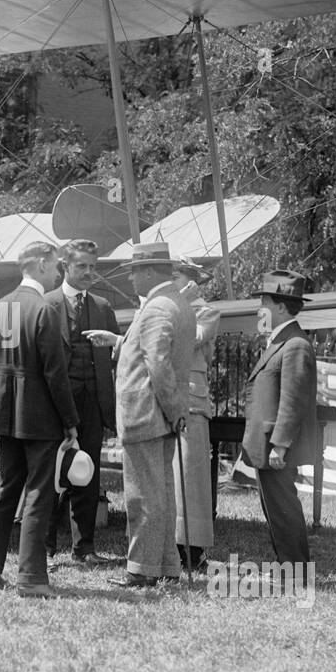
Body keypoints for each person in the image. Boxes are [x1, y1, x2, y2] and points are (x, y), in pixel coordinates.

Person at [0, 241, 79, 599]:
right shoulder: (44, 309)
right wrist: (70, 421)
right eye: (54, 267)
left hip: (4, 410)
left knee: (5, 488)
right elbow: (55, 373)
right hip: (38, 415)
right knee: (38, 493)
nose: (58, 273)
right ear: (38, 265)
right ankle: (32, 578)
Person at [105, 242, 195, 588]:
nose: (129, 278)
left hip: (146, 413)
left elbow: (158, 366)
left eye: (132, 271)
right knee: (163, 494)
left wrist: (174, 410)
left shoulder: (157, 307)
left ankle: (142, 568)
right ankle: (167, 565)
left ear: (147, 272)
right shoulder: (177, 302)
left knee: (143, 496)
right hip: (161, 415)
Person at [44, 239, 119, 566]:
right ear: (65, 267)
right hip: (54, 406)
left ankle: (84, 548)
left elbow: (116, 358)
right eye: (82, 267)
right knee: (49, 475)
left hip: (92, 404)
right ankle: (42, 547)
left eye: (93, 266)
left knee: (87, 474)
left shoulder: (103, 307)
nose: (89, 272)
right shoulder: (46, 305)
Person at [241, 270, 318, 566]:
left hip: (276, 447)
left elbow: (292, 401)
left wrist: (281, 445)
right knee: (276, 509)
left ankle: (294, 571)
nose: (259, 308)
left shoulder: (295, 344)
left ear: (281, 307)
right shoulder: (281, 341)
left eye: (264, 301)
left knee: (283, 509)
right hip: (269, 444)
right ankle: (288, 568)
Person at [174, 257, 221, 569]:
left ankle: (191, 548)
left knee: (190, 477)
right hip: (166, 397)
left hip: (191, 401)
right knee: (171, 477)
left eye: (173, 276)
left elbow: (192, 338)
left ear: (188, 279)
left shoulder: (203, 309)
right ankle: (169, 544)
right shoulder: (166, 305)